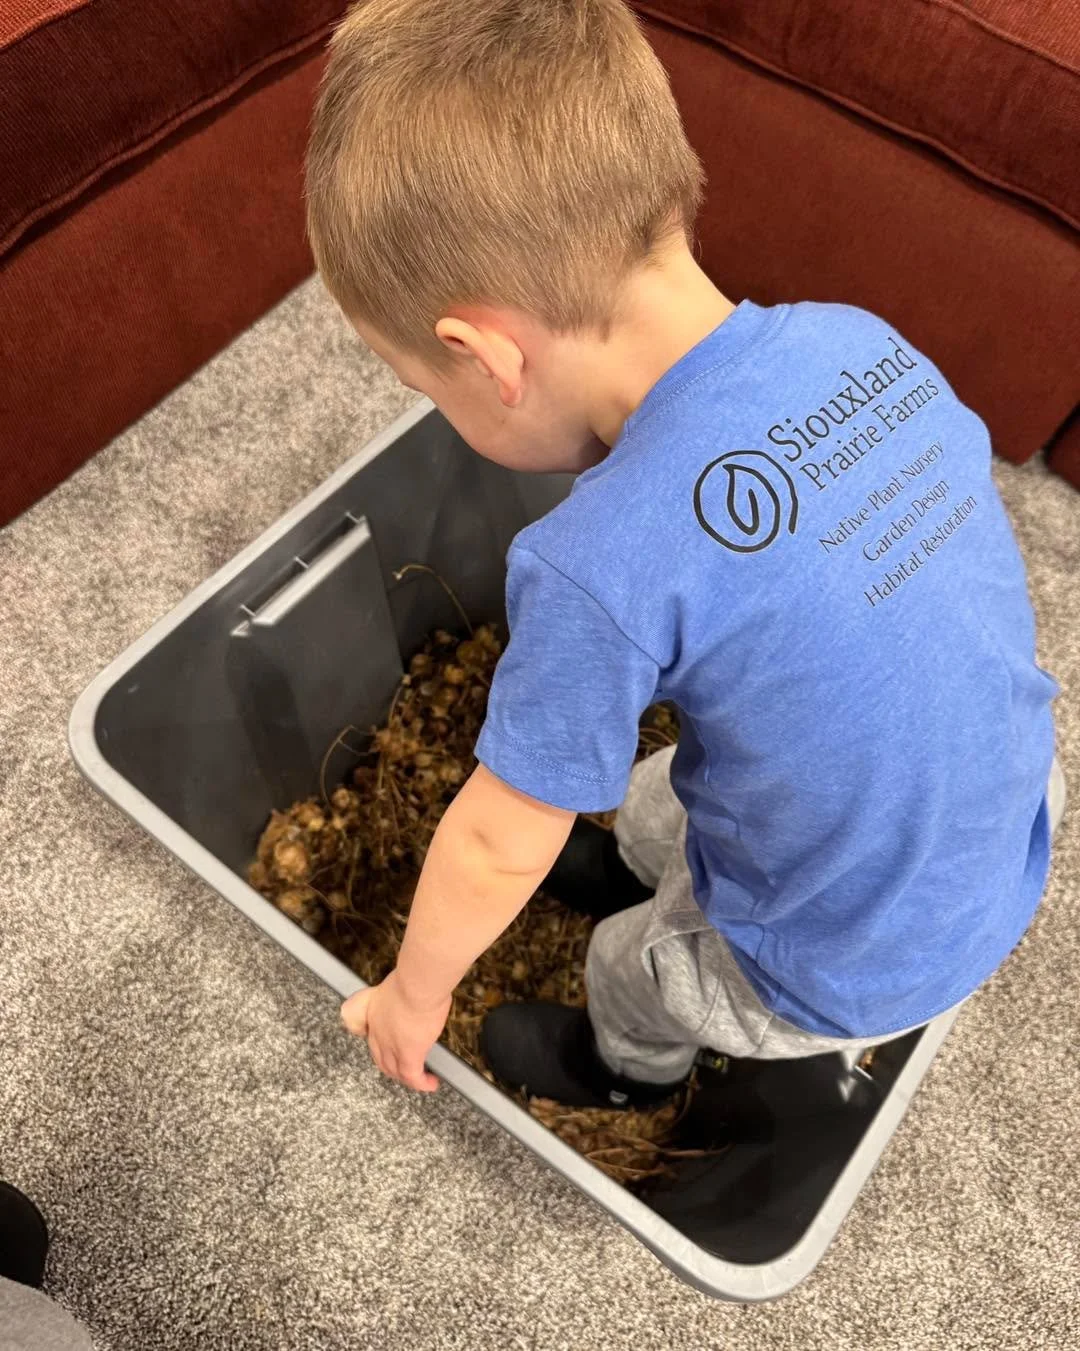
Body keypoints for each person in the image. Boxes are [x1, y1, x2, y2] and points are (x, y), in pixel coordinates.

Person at [305, 0, 1065, 1108]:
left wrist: (413, 998)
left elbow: (491, 847)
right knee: (666, 794)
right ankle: (635, 863)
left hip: (836, 966)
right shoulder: (864, 343)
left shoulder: (592, 560)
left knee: (631, 960)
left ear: (483, 356)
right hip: (1002, 830)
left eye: (431, 391)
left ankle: (628, 1070)